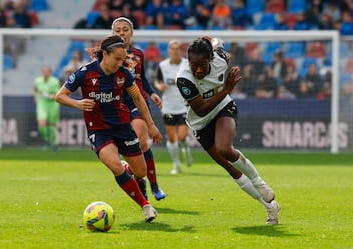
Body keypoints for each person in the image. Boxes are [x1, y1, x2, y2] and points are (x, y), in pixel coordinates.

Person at [55, 35, 161, 223]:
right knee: (114, 166)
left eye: (123, 59)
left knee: (141, 172)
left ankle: (127, 167)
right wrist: (78, 104)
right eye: (117, 59)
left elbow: (138, 98)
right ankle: (146, 206)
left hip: (122, 127)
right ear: (105, 54)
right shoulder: (84, 73)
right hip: (98, 130)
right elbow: (60, 96)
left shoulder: (124, 75)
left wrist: (151, 125)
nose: (120, 63)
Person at [176, 37, 281, 225]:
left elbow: (218, 42)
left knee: (224, 148)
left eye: (202, 64)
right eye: (194, 65)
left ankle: (259, 182)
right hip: (200, 121)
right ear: (188, 61)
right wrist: (227, 89)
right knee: (231, 169)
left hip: (223, 108)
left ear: (211, 58)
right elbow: (200, 109)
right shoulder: (183, 79)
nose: (198, 70)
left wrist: (211, 39)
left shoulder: (221, 59)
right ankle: (270, 207)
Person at [111, 17, 166, 201]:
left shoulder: (138, 54)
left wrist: (151, 93)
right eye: (117, 30)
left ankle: (155, 185)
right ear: (113, 33)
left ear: (131, 32)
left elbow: (141, 78)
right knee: (126, 148)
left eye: (125, 29)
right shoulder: (106, 55)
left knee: (142, 142)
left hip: (137, 102)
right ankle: (139, 181)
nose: (121, 33)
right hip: (117, 105)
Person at [154, 39, 193, 174]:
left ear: (181, 51)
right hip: (168, 106)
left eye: (177, 48)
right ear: (169, 51)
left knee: (182, 137)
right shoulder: (163, 66)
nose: (175, 51)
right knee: (172, 138)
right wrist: (160, 86)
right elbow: (157, 80)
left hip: (184, 106)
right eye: (172, 48)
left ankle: (186, 150)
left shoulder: (187, 64)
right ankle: (176, 165)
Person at [34, 66, 61, 151]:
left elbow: (59, 93)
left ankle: (53, 143)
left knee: (52, 125)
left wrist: (50, 96)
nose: (45, 73)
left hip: (53, 104)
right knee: (41, 124)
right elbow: (35, 89)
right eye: (44, 72)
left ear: (50, 73)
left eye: (47, 72)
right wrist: (36, 99)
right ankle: (46, 140)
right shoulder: (38, 81)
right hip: (42, 104)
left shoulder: (55, 81)